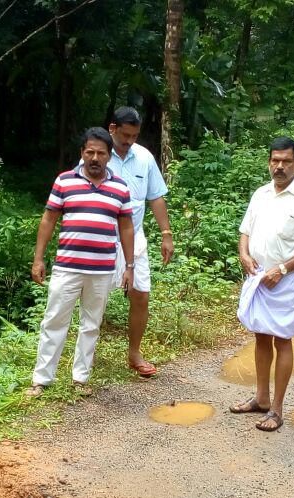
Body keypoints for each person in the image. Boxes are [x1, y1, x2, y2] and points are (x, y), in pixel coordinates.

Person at [24, 127, 136, 398]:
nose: (95, 157)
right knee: (53, 321)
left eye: (101, 153)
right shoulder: (64, 181)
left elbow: (127, 229)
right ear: (82, 153)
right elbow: (48, 220)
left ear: (110, 156)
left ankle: (80, 379)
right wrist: (38, 259)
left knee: (91, 324)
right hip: (66, 267)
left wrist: (129, 267)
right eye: (90, 152)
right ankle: (41, 380)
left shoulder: (120, 188)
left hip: (101, 270)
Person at [229, 136, 294, 432]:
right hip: (257, 278)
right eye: (275, 160)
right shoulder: (260, 194)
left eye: (286, 161)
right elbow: (245, 231)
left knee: (282, 339)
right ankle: (260, 398)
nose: (279, 166)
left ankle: (277, 409)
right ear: (269, 162)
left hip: (284, 281)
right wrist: (244, 254)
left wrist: (282, 269)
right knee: (260, 336)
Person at [105, 106, 175, 377]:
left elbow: (155, 196)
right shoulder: (98, 154)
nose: (129, 141)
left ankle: (134, 354)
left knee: (141, 295)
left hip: (135, 238)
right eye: (124, 135)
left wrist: (166, 234)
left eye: (134, 135)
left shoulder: (144, 157)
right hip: (103, 239)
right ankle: (85, 356)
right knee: (95, 298)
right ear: (113, 129)